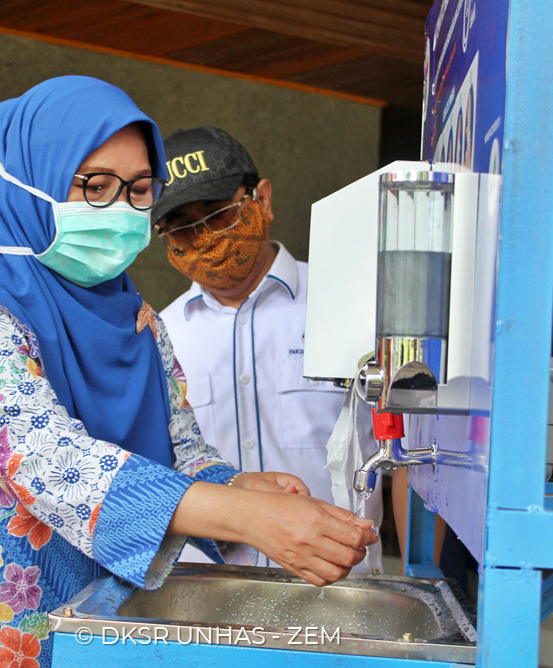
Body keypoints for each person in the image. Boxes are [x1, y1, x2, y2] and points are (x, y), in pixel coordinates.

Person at [0, 76, 377, 668]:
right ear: (26, 183)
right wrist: (247, 517)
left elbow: (181, 450)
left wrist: (235, 487)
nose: (122, 209)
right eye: (95, 186)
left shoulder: (137, 320)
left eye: (139, 189)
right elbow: (54, 463)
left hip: (94, 630)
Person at [151, 126, 383, 570]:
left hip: (341, 580)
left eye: (218, 215)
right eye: (181, 227)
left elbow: (410, 450)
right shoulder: (161, 335)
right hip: (205, 589)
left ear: (263, 199)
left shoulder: (351, 305)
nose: (205, 238)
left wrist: (417, 571)